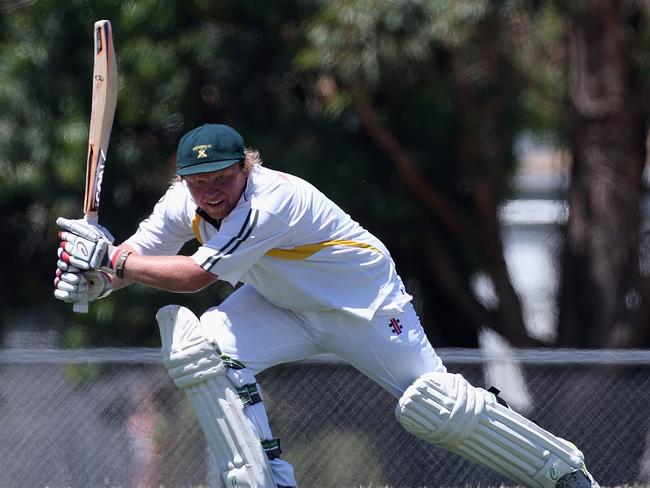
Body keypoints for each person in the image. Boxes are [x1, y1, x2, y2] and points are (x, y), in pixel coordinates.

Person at [54, 123, 600, 488]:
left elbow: (194, 276)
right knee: (202, 351)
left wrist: (111, 264)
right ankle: (265, 480)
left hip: (362, 306)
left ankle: (562, 471)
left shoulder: (272, 200)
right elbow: (141, 255)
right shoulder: (185, 200)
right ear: (183, 179)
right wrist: (97, 274)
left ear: (246, 167)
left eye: (223, 178)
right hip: (281, 305)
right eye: (199, 183)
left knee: (435, 408)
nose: (212, 192)